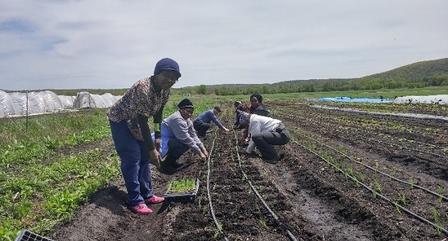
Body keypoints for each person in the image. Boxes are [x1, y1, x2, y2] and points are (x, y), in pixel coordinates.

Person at [108, 58, 181, 215]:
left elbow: (158, 113)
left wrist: (159, 136)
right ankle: (135, 200)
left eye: (174, 77)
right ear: (156, 73)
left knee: (144, 158)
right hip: (121, 120)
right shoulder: (144, 88)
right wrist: (151, 149)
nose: (170, 80)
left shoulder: (165, 90)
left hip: (136, 122)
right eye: (166, 75)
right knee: (132, 156)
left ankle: (147, 194)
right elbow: (142, 121)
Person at [160, 98, 209, 174]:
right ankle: (165, 165)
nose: (189, 114)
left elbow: (194, 135)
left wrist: (203, 149)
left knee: (186, 144)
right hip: (163, 138)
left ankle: (172, 162)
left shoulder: (187, 120)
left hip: (172, 138)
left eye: (191, 112)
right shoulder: (177, 119)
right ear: (181, 110)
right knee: (183, 144)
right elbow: (186, 139)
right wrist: (200, 153)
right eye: (188, 111)